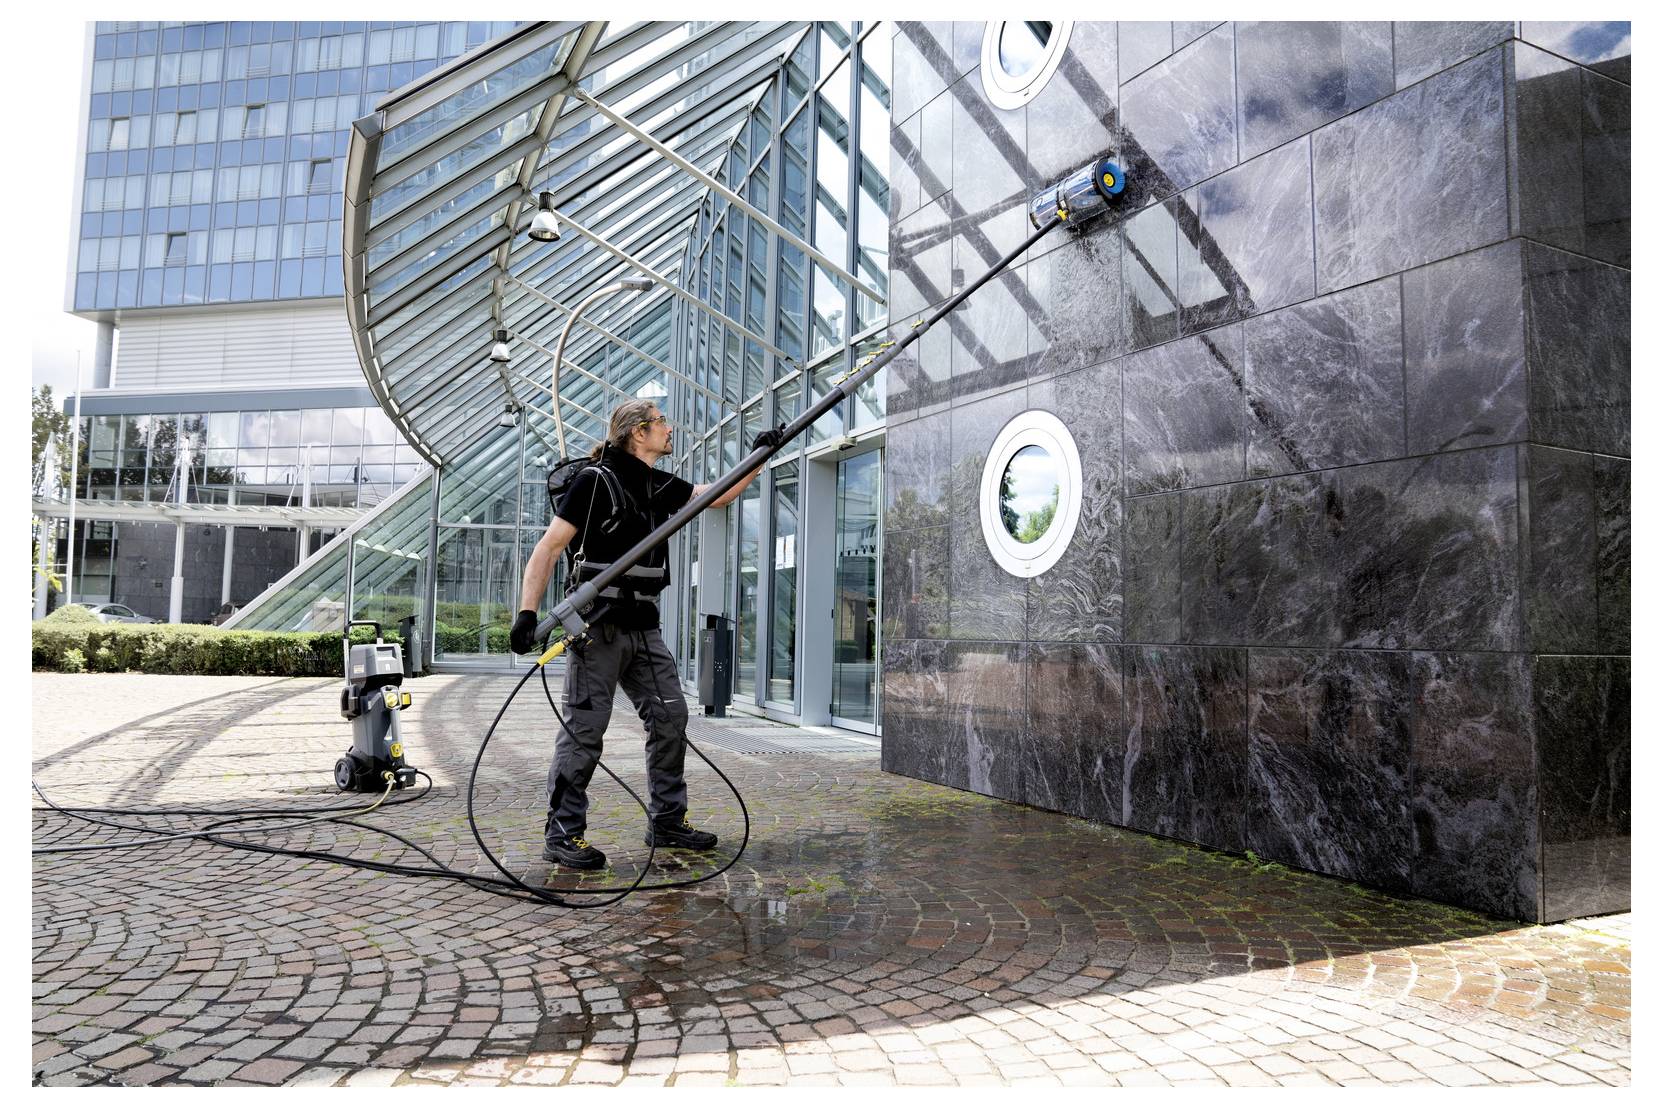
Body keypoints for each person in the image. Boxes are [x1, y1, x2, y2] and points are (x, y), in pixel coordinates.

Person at [509, 398, 784, 870]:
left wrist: (758, 458)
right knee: (585, 731)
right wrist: (526, 614)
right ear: (638, 432)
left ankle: (667, 821)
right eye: (661, 422)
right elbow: (550, 547)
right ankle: (562, 833)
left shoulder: (656, 483)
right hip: (597, 628)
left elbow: (715, 494)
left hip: (644, 628)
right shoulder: (594, 481)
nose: (668, 428)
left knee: (671, 718)